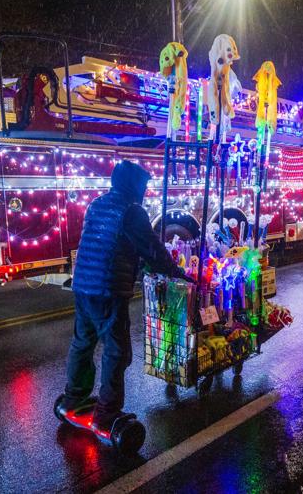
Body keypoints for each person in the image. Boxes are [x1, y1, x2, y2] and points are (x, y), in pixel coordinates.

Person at [57, 160, 191, 432]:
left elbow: (117, 244)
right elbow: (153, 250)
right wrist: (179, 274)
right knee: (117, 352)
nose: (144, 191)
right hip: (108, 289)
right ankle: (107, 413)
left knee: (83, 343)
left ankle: (74, 397)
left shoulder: (98, 204)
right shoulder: (131, 211)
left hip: (83, 285)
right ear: (132, 185)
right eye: (142, 185)